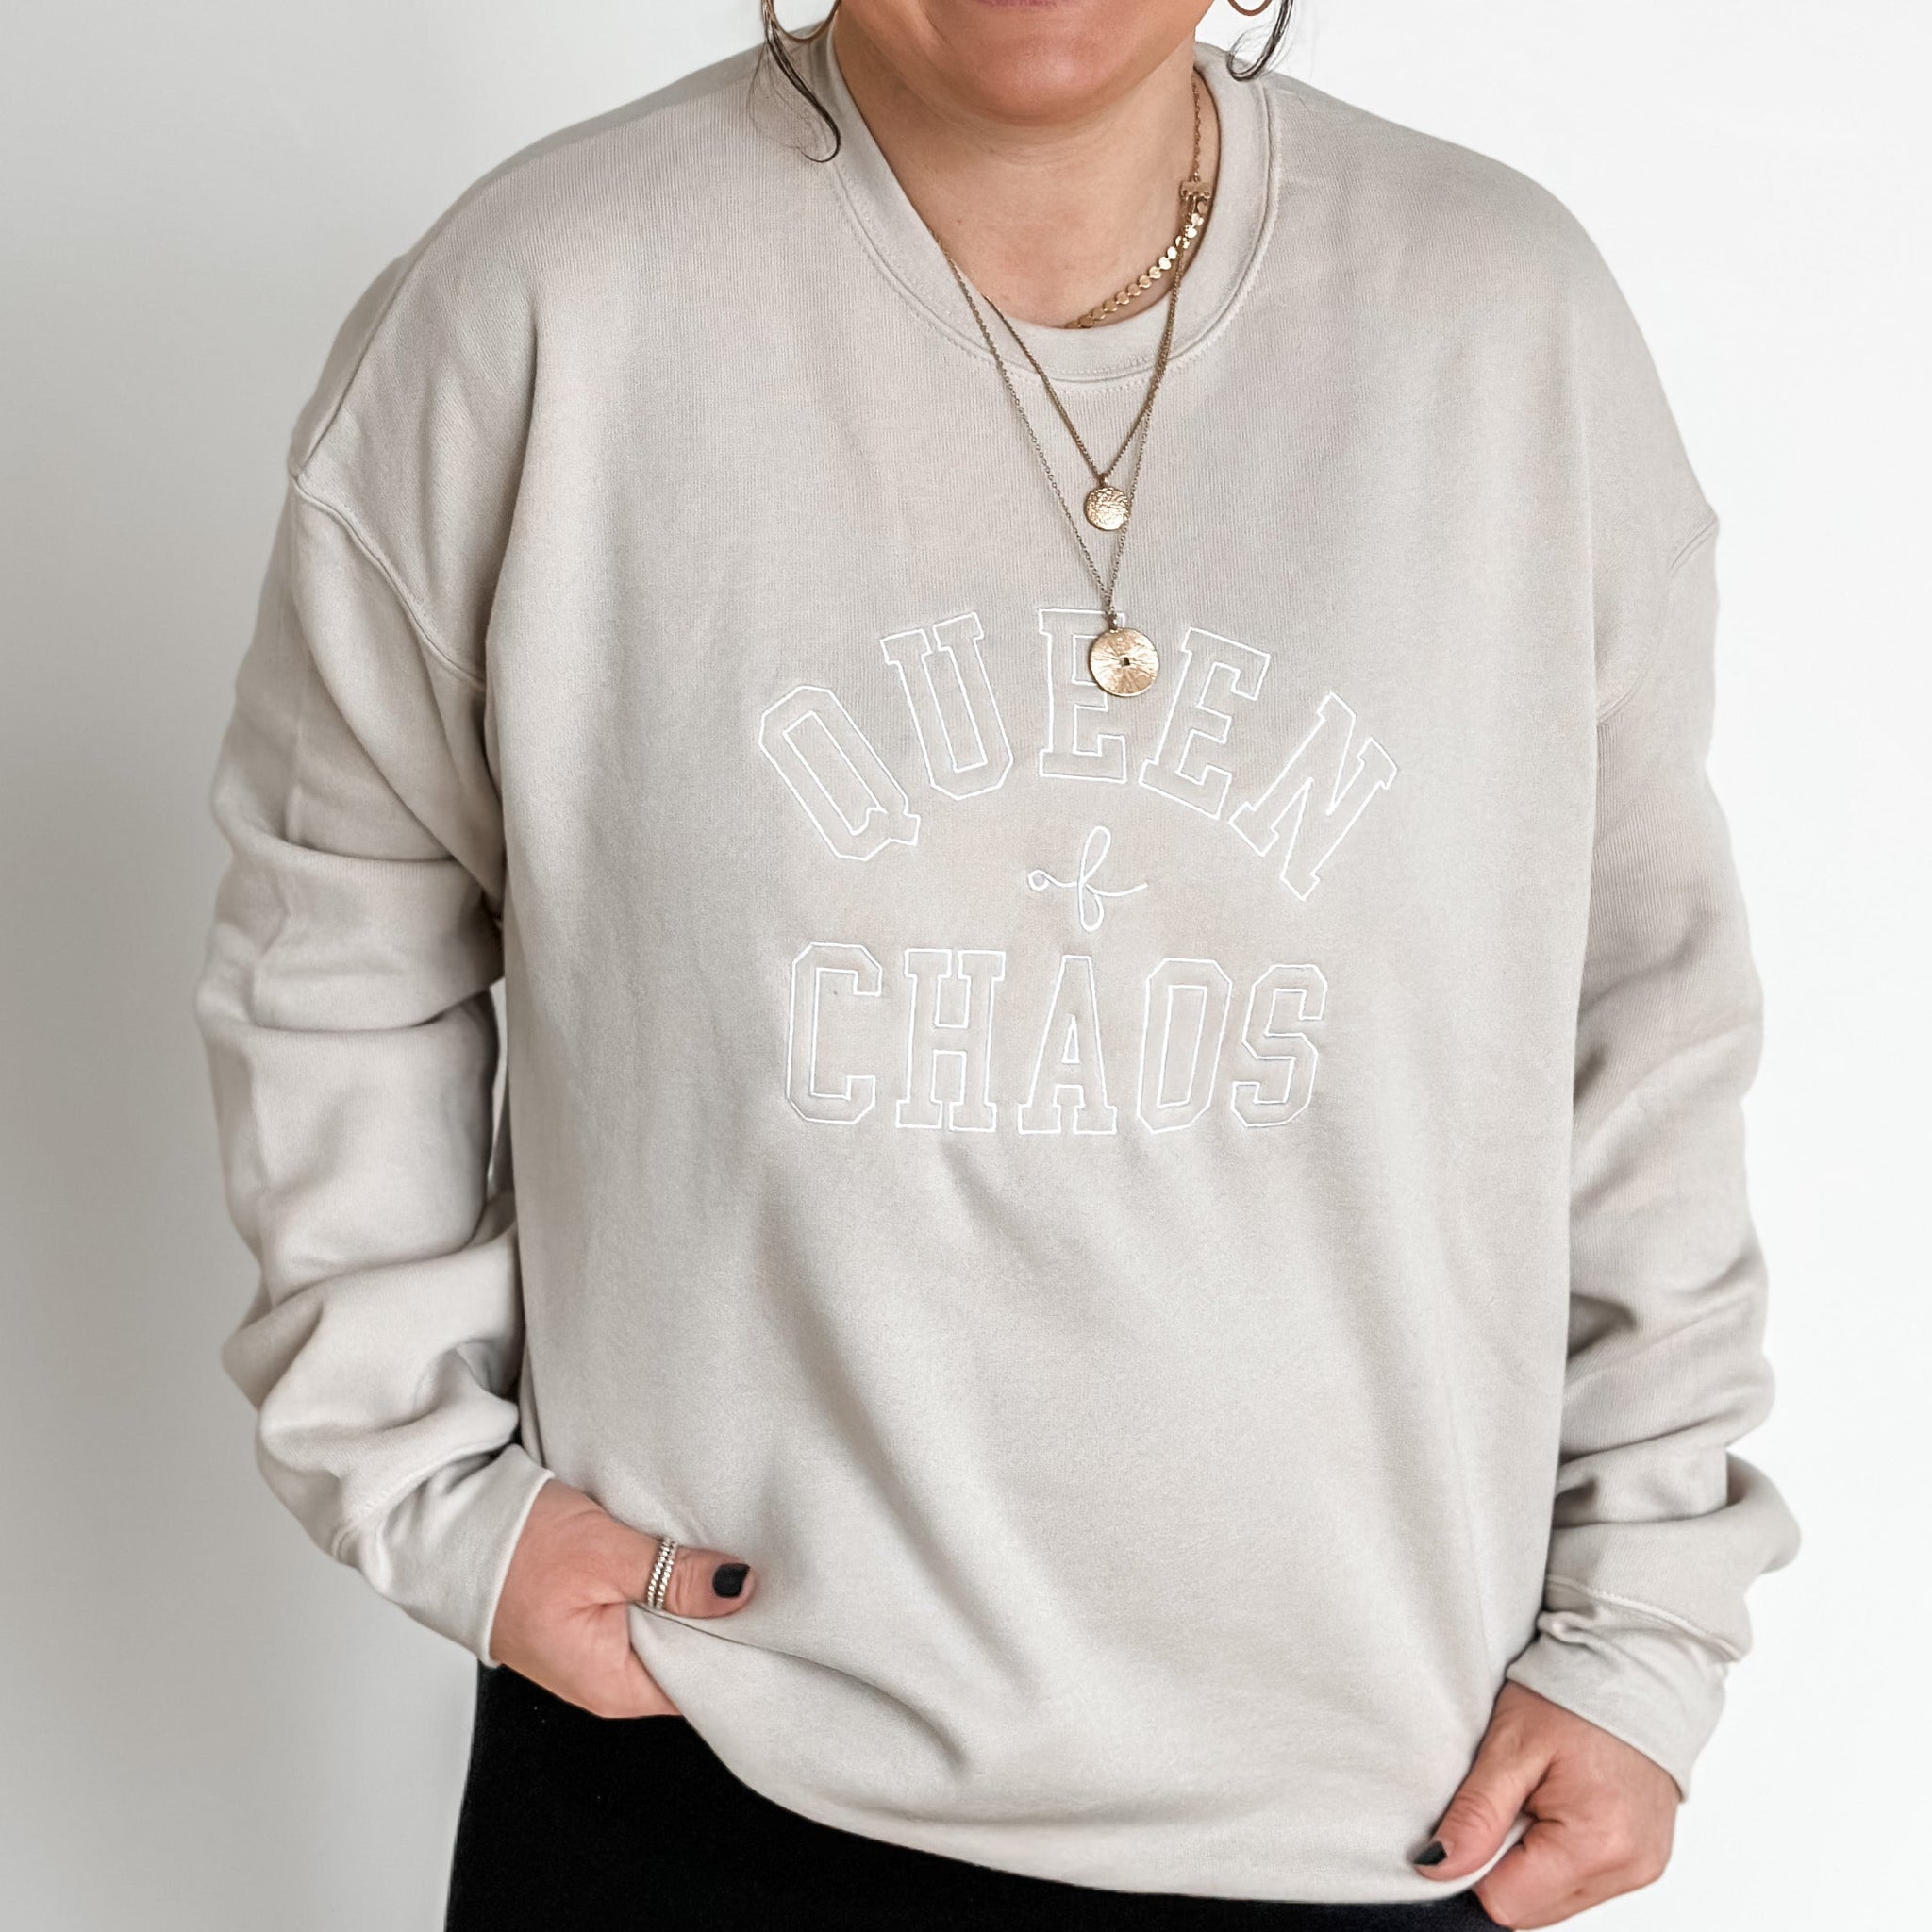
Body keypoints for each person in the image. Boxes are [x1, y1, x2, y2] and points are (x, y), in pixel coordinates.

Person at [194, 0, 1798, 1924]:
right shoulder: (550, 298)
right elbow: (336, 914)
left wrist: (1639, 1627)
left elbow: (1639, 1012)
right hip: (714, 1764)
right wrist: (425, 1480)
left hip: (1384, 1804)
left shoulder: (1500, 322)